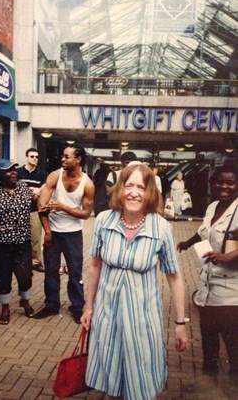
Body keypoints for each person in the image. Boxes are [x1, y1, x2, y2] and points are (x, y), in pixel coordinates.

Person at [81, 163, 188, 400]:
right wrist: (89, 306)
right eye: (129, 185)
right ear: (119, 188)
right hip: (107, 314)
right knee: (110, 378)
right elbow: (96, 265)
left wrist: (180, 323)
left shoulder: (161, 228)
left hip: (143, 319)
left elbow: (175, 277)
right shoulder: (103, 221)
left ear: (150, 192)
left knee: (140, 381)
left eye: (141, 187)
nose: (134, 192)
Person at [177, 164, 238, 379]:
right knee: (209, 335)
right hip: (208, 287)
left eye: (230, 182)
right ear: (212, 184)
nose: (224, 186)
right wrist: (186, 243)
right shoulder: (212, 207)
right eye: (219, 182)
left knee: (232, 341)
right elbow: (204, 231)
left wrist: (226, 257)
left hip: (231, 290)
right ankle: (209, 379)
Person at [34, 143, 95, 323]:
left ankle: (76, 307)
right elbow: (41, 206)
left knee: (75, 272)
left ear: (78, 159)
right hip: (53, 230)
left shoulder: (87, 184)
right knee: (51, 271)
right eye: (63, 155)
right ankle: (51, 305)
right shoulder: (55, 176)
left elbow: (85, 215)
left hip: (73, 233)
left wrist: (63, 207)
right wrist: (47, 232)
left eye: (67, 156)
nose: (63, 159)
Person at [0, 159, 35, 325]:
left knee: (25, 276)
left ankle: (24, 301)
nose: (14, 172)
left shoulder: (24, 189)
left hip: (22, 241)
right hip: (0, 243)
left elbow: (39, 200)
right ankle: (5, 307)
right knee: (2, 276)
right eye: (9, 171)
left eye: (14, 169)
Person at [17, 148, 46, 273]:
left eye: (37, 157)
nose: (35, 159)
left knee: (35, 238)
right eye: (32, 156)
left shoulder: (41, 174)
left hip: (34, 210)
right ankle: (19, 261)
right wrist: (33, 190)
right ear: (26, 157)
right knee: (20, 237)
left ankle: (36, 262)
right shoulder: (18, 172)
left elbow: (44, 191)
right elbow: (16, 189)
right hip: (19, 210)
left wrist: (38, 191)